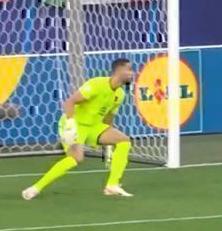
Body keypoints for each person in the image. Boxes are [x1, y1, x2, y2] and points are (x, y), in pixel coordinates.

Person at [22, 59, 136, 200]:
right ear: (118, 70)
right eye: (129, 69)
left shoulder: (120, 94)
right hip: (75, 124)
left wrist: (107, 143)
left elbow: (108, 119)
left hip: (94, 126)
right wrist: (70, 124)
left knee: (124, 141)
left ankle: (112, 185)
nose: (132, 73)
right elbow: (70, 102)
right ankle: (36, 188)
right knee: (76, 158)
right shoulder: (97, 84)